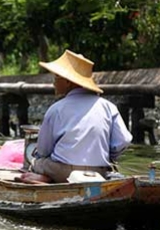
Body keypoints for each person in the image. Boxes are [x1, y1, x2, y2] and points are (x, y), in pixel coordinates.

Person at [20, 49, 132, 183]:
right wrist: (107, 155)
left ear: (68, 82)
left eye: (56, 77)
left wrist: (38, 161)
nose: (54, 83)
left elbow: (44, 150)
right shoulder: (108, 107)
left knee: (38, 161)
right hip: (99, 172)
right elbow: (124, 140)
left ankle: (47, 178)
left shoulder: (56, 109)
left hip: (62, 172)